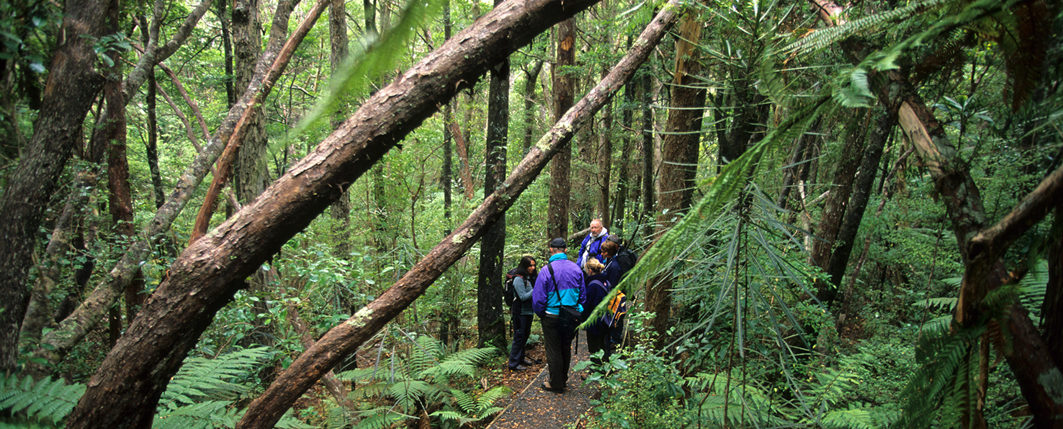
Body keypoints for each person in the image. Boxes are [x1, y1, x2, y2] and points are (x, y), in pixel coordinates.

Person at [533, 237, 586, 393]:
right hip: (571, 316)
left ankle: (556, 383)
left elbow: (538, 299)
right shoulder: (576, 269)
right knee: (565, 347)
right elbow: (583, 296)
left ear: (551, 250)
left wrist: (541, 313)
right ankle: (563, 379)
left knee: (553, 349)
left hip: (551, 316)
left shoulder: (546, 270)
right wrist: (577, 309)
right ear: (565, 250)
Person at [581, 258, 612, 371]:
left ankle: (596, 371)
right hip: (605, 318)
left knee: (595, 346)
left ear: (590, 271)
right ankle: (605, 367)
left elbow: (587, 305)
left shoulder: (593, 286)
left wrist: (583, 320)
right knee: (603, 343)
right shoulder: (606, 281)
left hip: (595, 321)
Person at [508, 256, 538, 371]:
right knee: (519, 337)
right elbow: (523, 297)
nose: (533, 267)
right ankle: (513, 363)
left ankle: (521, 358)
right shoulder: (519, 279)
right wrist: (535, 289)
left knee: (525, 336)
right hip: (519, 312)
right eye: (530, 265)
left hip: (529, 312)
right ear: (524, 266)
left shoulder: (530, 278)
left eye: (534, 265)